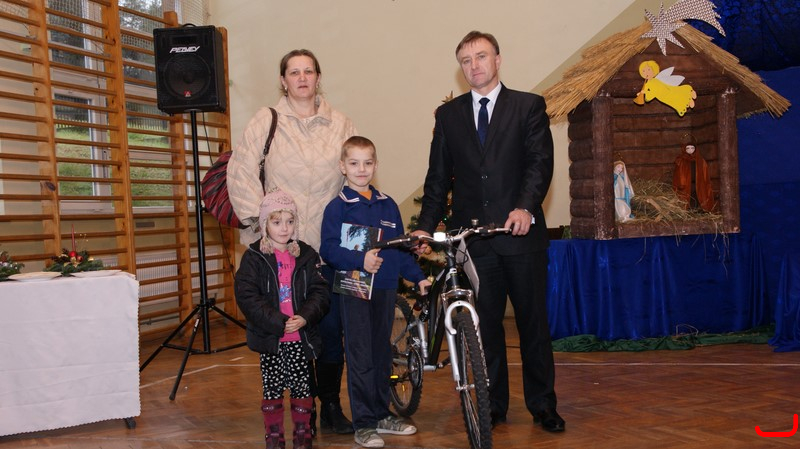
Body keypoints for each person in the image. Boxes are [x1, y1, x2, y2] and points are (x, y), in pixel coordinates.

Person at [412, 31, 564, 433]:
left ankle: (543, 405)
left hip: (520, 237)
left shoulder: (528, 106)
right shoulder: (448, 116)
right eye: (466, 60)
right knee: (486, 328)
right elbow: (437, 178)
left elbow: (539, 163)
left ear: (498, 60)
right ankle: (493, 405)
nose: (474, 65)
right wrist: (425, 227)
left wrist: (525, 207)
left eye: (481, 56)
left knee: (533, 325)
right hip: (474, 243)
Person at [227, 49, 357, 434]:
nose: (302, 78)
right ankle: (303, 407)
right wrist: (264, 229)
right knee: (288, 334)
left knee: (329, 332)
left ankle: (330, 404)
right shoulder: (265, 119)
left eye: (308, 71)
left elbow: (355, 180)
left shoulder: (341, 123)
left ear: (318, 77)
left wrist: (354, 245)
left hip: (326, 249)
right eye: (294, 72)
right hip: (281, 252)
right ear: (283, 80)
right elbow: (241, 173)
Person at [320, 136, 431, 448]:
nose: (361, 169)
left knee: (382, 353)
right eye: (354, 163)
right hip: (355, 290)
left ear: (376, 165)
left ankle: (382, 414)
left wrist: (418, 277)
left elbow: (399, 249)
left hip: (384, 289)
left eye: (367, 163)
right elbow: (328, 249)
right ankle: (365, 423)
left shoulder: (388, 205)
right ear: (343, 166)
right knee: (360, 356)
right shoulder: (337, 207)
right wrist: (360, 260)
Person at [234, 188, 330, 449]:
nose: (284, 228)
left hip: (300, 338)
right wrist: (278, 321)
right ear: (265, 224)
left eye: (289, 221)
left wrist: (304, 317)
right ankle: (274, 438)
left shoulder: (307, 254)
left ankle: (303, 436)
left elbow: (320, 292)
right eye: (277, 222)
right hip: (272, 339)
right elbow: (247, 297)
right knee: (272, 390)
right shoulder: (254, 257)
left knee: (302, 388)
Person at [673, 143, 714, 212]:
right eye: (688, 148)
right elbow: (678, 174)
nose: (690, 150)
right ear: (684, 149)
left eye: (692, 148)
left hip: (698, 184)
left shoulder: (700, 161)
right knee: (687, 197)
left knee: (698, 196)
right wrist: (681, 183)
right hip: (685, 185)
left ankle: (698, 210)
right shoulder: (681, 161)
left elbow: (705, 174)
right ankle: (688, 210)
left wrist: (704, 184)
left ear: (695, 149)